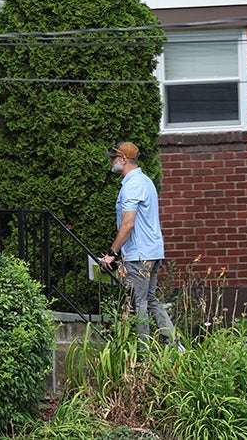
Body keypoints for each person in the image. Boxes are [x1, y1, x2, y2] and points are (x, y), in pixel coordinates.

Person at [98, 141, 177, 346]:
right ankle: (175, 345)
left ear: (124, 160)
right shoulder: (145, 181)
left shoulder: (132, 185)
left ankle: (143, 355)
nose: (112, 162)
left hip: (139, 256)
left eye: (114, 158)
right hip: (154, 252)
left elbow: (128, 223)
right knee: (151, 300)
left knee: (139, 303)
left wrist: (112, 253)